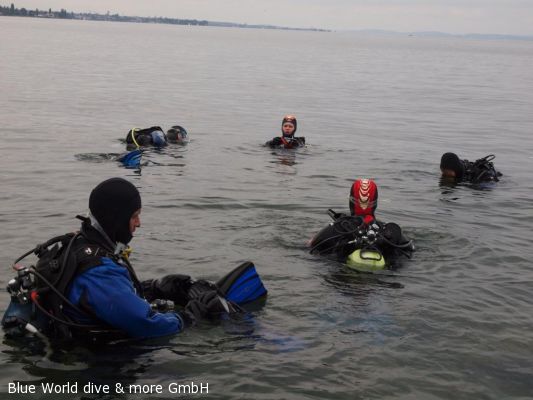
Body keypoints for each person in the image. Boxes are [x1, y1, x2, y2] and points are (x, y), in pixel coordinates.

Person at [2, 178, 227, 341]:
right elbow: (147, 325)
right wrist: (189, 316)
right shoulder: (99, 271)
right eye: (134, 216)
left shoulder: (79, 245)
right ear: (116, 219)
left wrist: (154, 288)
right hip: (102, 367)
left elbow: (104, 298)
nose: (138, 223)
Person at [309, 179, 414, 269]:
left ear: (351, 201)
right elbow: (411, 250)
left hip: (343, 277)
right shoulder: (389, 232)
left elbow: (311, 247)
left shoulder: (337, 228)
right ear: (375, 203)